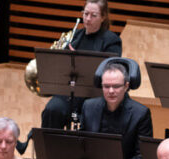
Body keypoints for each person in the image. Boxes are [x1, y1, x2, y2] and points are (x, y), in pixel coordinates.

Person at [39, 0, 122, 131]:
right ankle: (48, 150)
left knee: (90, 113)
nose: (88, 19)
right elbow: (59, 67)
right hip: (70, 91)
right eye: (86, 14)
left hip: (94, 93)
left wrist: (80, 61)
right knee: (52, 109)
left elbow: (112, 70)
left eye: (93, 15)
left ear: (103, 17)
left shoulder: (111, 40)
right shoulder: (74, 36)